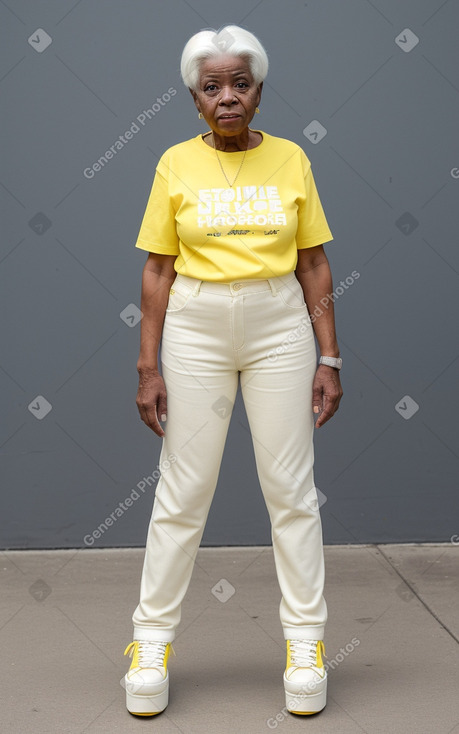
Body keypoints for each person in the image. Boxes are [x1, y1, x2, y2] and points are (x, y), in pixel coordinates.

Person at [123, 24, 343, 718]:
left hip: (280, 324)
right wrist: (147, 365)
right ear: (193, 98)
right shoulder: (173, 164)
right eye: (211, 86)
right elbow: (157, 268)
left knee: (292, 493)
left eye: (239, 84)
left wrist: (328, 355)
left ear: (258, 92)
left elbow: (312, 262)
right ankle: (150, 644)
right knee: (182, 492)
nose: (227, 97)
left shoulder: (290, 160)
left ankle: (305, 644)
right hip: (195, 325)